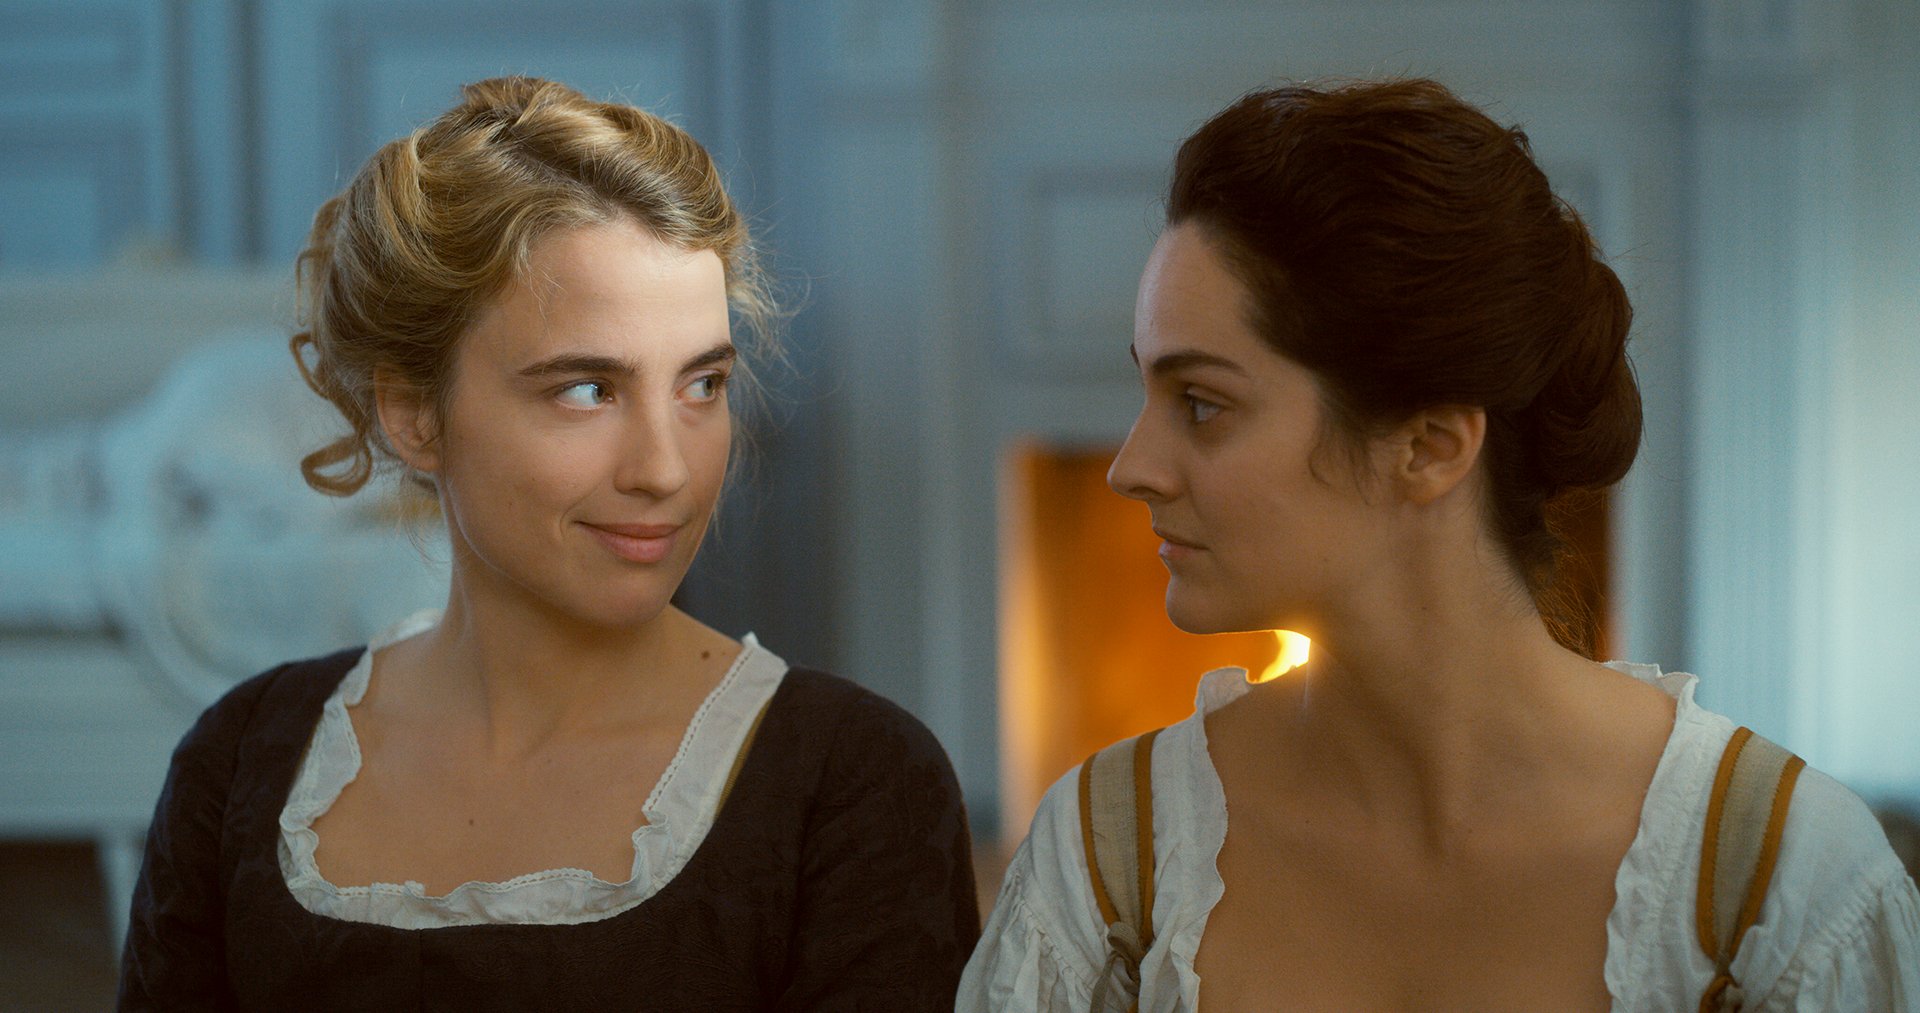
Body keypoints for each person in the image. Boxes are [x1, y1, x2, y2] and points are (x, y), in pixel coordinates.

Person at [959, 79, 1918, 1011]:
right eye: (1149, 393)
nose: (1130, 466)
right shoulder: (1110, 869)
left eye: (1202, 403)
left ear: (1429, 446)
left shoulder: (1779, 890)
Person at [119, 76, 979, 1010]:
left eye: (702, 385)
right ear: (413, 414)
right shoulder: (242, 761)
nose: (665, 470)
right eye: (587, 390)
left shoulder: (857, 783)